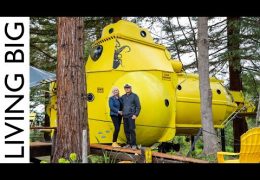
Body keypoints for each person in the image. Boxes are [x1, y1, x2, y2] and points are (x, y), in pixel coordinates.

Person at [121, 84, 141, 149]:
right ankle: (128, 144)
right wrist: (120, 111)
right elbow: (120, 105)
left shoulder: (135, 96)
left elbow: (138, 106)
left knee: (132, 130)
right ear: (124, 89)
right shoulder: (123, 97)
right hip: (125, 116)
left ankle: (134, 144)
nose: (127, 89)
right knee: (126, 130)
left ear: (131, 88)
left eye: (128, 88)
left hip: (131, 116)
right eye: (126, 88)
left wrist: (136, 114)